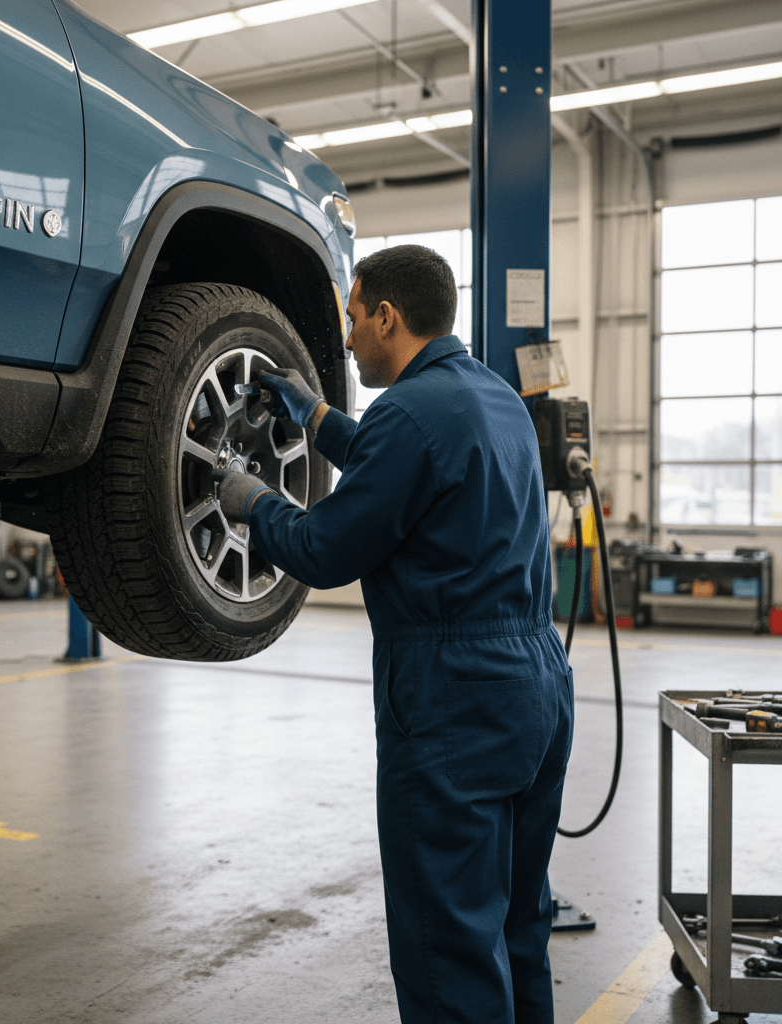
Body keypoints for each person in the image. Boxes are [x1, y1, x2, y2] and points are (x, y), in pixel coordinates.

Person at [216, 244, 574, 1024]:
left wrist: (253, 502)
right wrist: (314, 419)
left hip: (454, 697)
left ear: (387, 316)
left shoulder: (407, 415)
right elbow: (412, 466)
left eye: (352, 318)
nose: (346, 338)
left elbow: (325, 550)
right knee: (518, 920)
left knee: (446, 940)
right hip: (538, 685)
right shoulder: (496, 396)